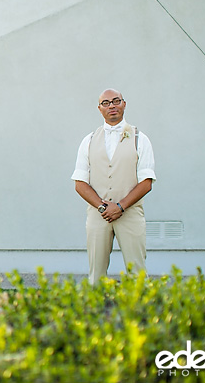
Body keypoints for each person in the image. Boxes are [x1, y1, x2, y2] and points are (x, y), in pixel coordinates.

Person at [72, 88, 155, 284]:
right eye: (106, 103)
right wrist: (103, 207)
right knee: (96, 273)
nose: (112, 106)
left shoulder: (139, 138)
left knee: (137, 271)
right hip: (97, 213)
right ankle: (95, 310)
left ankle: (140, 311)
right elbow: (80, 183)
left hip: (131, 213)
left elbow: (146, 182)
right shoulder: (89, 140)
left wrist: (120, 206)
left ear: (124, 104)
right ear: (99, 109)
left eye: (116, 101)